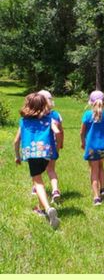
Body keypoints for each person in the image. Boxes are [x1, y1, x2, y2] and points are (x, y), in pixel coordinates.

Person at [14, 93, 61, 228]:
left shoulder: (23, 121)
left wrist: (17, 156)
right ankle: (41, 208)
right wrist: (56, 147)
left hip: (32, 154)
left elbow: (16, 141)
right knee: (41, 178)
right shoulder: (49, 119)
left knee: (38, 182)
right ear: (44, 105)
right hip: (47, 153)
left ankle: (47, 209)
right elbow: (57, 132)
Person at [80, 90, 104, 206]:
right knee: (101, 166)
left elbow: (82, 132)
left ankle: (96, 197)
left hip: (91, 148)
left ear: (90, 102)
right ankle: (103, 188)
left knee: (94, 170)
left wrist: (83, 143)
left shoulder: (87, 115)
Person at [30, 90, 64, 203]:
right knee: (51, 169)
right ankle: (55, 190)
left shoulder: (34, 115)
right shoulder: (56, 115)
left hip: (39, 147)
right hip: (53, 146)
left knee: (36, 170)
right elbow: (60, 131)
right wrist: (60, 144)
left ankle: (35, 188)